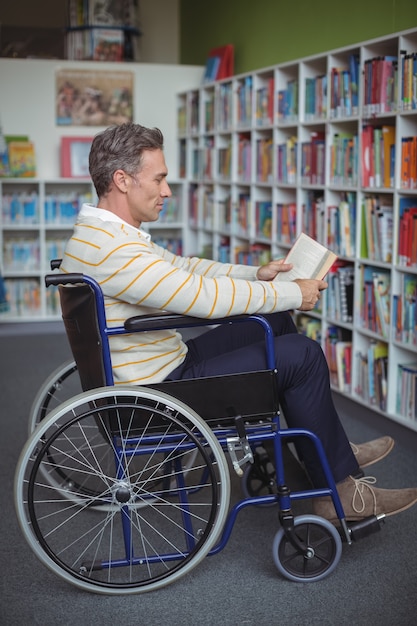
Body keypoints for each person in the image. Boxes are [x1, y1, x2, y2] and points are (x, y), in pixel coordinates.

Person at [61, 122, 417, 524]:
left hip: (159, 369)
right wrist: (293, 292)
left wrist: (255, 274)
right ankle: (338, 494)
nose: (167, 191)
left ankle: (328, 450)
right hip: (157, 395)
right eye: (159, 179)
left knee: (277, 323)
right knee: (302, 354)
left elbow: (185, 268)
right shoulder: (115, 251)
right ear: (122, 180)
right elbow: (201, 297)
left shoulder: (103, 236)